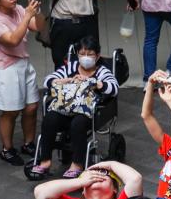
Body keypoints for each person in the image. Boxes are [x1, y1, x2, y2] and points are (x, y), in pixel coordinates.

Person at [33, 35, 119, 179]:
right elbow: (48, 81)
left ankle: (77, 164)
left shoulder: (102, 72)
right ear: (77, 54)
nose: (86, 57)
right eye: (82, 54)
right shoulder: (71, 67)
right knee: (50, 119)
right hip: (65, 108)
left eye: (90, 54)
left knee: (78, 124)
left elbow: (114, 88)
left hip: (86, 112)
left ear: (97, 56)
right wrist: (65, 80)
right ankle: (45, 160)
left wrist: (94, 82)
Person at [0, 0, 45, 165]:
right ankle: (7, 149)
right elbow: (13, 40)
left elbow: (39, 27)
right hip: (6, 69)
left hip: (24, 64)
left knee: (32, 107)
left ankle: (28, 144)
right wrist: (27, 16)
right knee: (11, 111)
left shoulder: (20, 9)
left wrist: (36, 12)